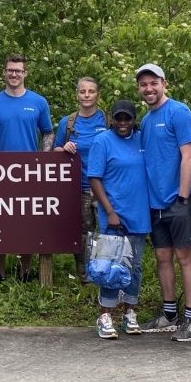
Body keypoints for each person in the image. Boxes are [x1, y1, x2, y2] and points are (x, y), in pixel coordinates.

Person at [133, 63, 191, 341]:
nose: (148, 89)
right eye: (143, 84)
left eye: (153, 83)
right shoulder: (147, 119)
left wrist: (183, 196)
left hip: (179, 199)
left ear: (164, 83)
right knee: (162, 257)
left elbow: (190, 156)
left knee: (185, 257)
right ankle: (169, 314)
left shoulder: (179, 112)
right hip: (155, 202)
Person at [0, 53, 54, 286]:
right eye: (10, 70)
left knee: (27, 223)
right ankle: (0, 274)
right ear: (4, 73)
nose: (14, 74)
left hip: (29, 174)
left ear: (25, 74)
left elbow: (48, 133)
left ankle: (25, 272)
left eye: (18, 71)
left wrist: (43, 160)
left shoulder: (38, 102)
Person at [87, 100, 150, 339]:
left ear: (134, 120)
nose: (123, 123)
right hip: (113, 214)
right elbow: (94, 178)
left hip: (139, 214)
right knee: (109, 267)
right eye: (118, 119)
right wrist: (110, 211)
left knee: (134, 267)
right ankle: (105, 315)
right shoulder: (102, 141)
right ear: (111, 119)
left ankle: (130, 312)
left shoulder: (142, 139)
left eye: (127, 119)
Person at [52, 77, 109, 282]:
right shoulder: (67, 123)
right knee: (84, 232)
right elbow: (54, 149)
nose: (86, 95)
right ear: (77, 94)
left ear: (97, 95)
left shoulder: (107, 120)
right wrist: (64, 149)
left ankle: (105, 271)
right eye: (82, 91)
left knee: (107, 230)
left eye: (91, 91)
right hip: (80, 185)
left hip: (106, 186)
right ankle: (84, 273)